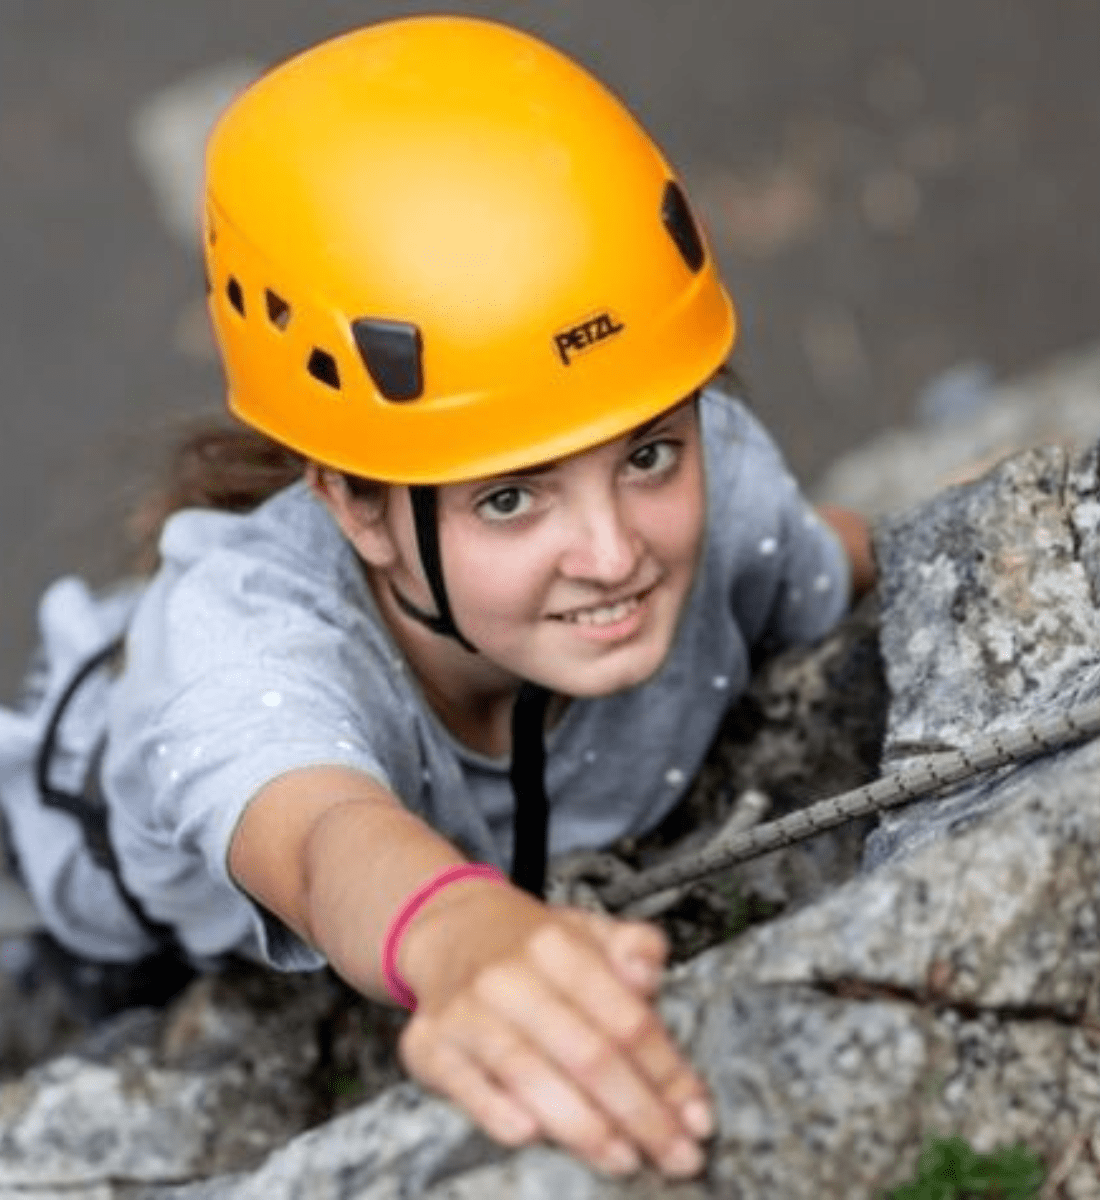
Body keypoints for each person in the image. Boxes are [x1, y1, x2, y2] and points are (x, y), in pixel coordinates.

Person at [0, 15, 875, 1181]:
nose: (614, 552)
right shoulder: (239, 644)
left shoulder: (734, 508)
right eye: (512, 499)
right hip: (102, 879)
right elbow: (318, 839)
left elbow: (830, 553)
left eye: (650, 455)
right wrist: (458, 935)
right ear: (357, 507)